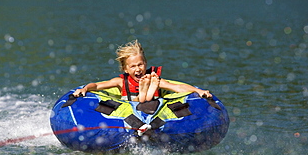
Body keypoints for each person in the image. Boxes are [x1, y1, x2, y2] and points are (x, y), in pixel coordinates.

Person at [73, 40, 212, 102]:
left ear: (145, 63)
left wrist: (198, 91)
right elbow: (97, 86)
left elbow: (177, 87)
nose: (138, 69)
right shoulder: (121, 82)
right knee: (137, 101)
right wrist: (85, 89)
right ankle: (144, 95)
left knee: (150, 96)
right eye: (133, 66)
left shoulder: (153, 79)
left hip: (152, 111)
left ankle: (145, 94)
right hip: (128, 109)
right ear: (125, 69)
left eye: (140, 65)